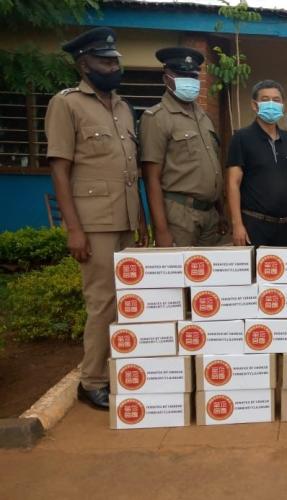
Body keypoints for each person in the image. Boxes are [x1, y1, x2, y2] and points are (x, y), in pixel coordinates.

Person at [45, 27, 146, 409]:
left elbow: (129, 169)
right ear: (83, 63)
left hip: (126, 219)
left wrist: (141, 219)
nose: (113, 66)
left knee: (129, 300)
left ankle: (119, 370)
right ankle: (91, 381)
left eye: (115, 60)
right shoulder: (67, 104)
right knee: (102, 302)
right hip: (95, 222)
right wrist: (74, 229)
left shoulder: (122, 106)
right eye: (105, 61)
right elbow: (59, 169)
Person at [140, 47, 226, 247]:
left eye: (193, 76)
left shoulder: (204, 118)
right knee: (180, 276)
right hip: (179, 215)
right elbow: (151, 178)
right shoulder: (157, 118)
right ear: (166, 78)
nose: (189, 80)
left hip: (210, 215)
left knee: (210, 276)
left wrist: (221, 212)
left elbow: (213, 170)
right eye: (181, 75)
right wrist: (161, 230)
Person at [226, 80, 287, 246]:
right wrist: (237, 225)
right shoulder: (241, 138)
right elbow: (233, 183)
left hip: (284, 227)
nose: (271, 104)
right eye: (265, 99)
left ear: (283, 104)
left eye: (276, 100)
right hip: (253, 225)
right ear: (254, 105)